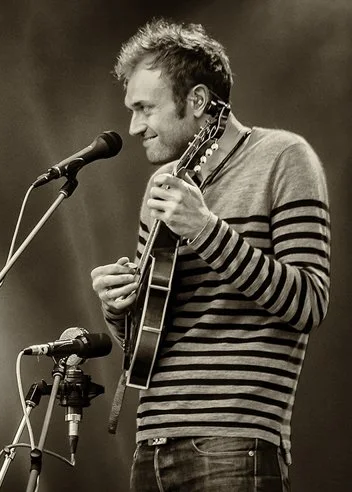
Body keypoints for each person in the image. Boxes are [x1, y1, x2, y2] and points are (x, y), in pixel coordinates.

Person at [89, 19, 330, 492]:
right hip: (151, 442)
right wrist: (118, 307)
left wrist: (205, 230)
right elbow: (147, 338)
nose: (134, 127)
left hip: (234, 440)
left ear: (197, 101)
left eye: (145, 108)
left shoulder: (284, 157)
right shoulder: (162, 185)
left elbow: (308, 302)